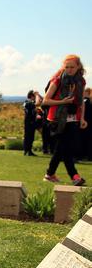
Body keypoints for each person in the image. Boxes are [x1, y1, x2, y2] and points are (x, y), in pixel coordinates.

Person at [43, 54, 87, 186]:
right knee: (65, 148)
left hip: (73, 118)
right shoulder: (57, 80)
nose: (69, 69)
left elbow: (81, 102)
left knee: (62, 149)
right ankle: (75, 177)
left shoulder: (81, 81)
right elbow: (45, 100)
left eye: (72, 67)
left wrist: (82, 118)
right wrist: (62, 101)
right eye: (66, 67)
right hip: (57, 119)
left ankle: (49, 174)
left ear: (78, 66)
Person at [23, 90, 38, 156]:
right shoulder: (30, 102)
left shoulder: (25, 102)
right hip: (31, 121)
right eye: (34, 96)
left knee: (26, 136)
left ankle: (26, 150)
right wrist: (37, 94)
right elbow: (37, 103)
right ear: (32, 96)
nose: (35, 97)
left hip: (27, 121)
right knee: (30, 136)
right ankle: (29, 151)